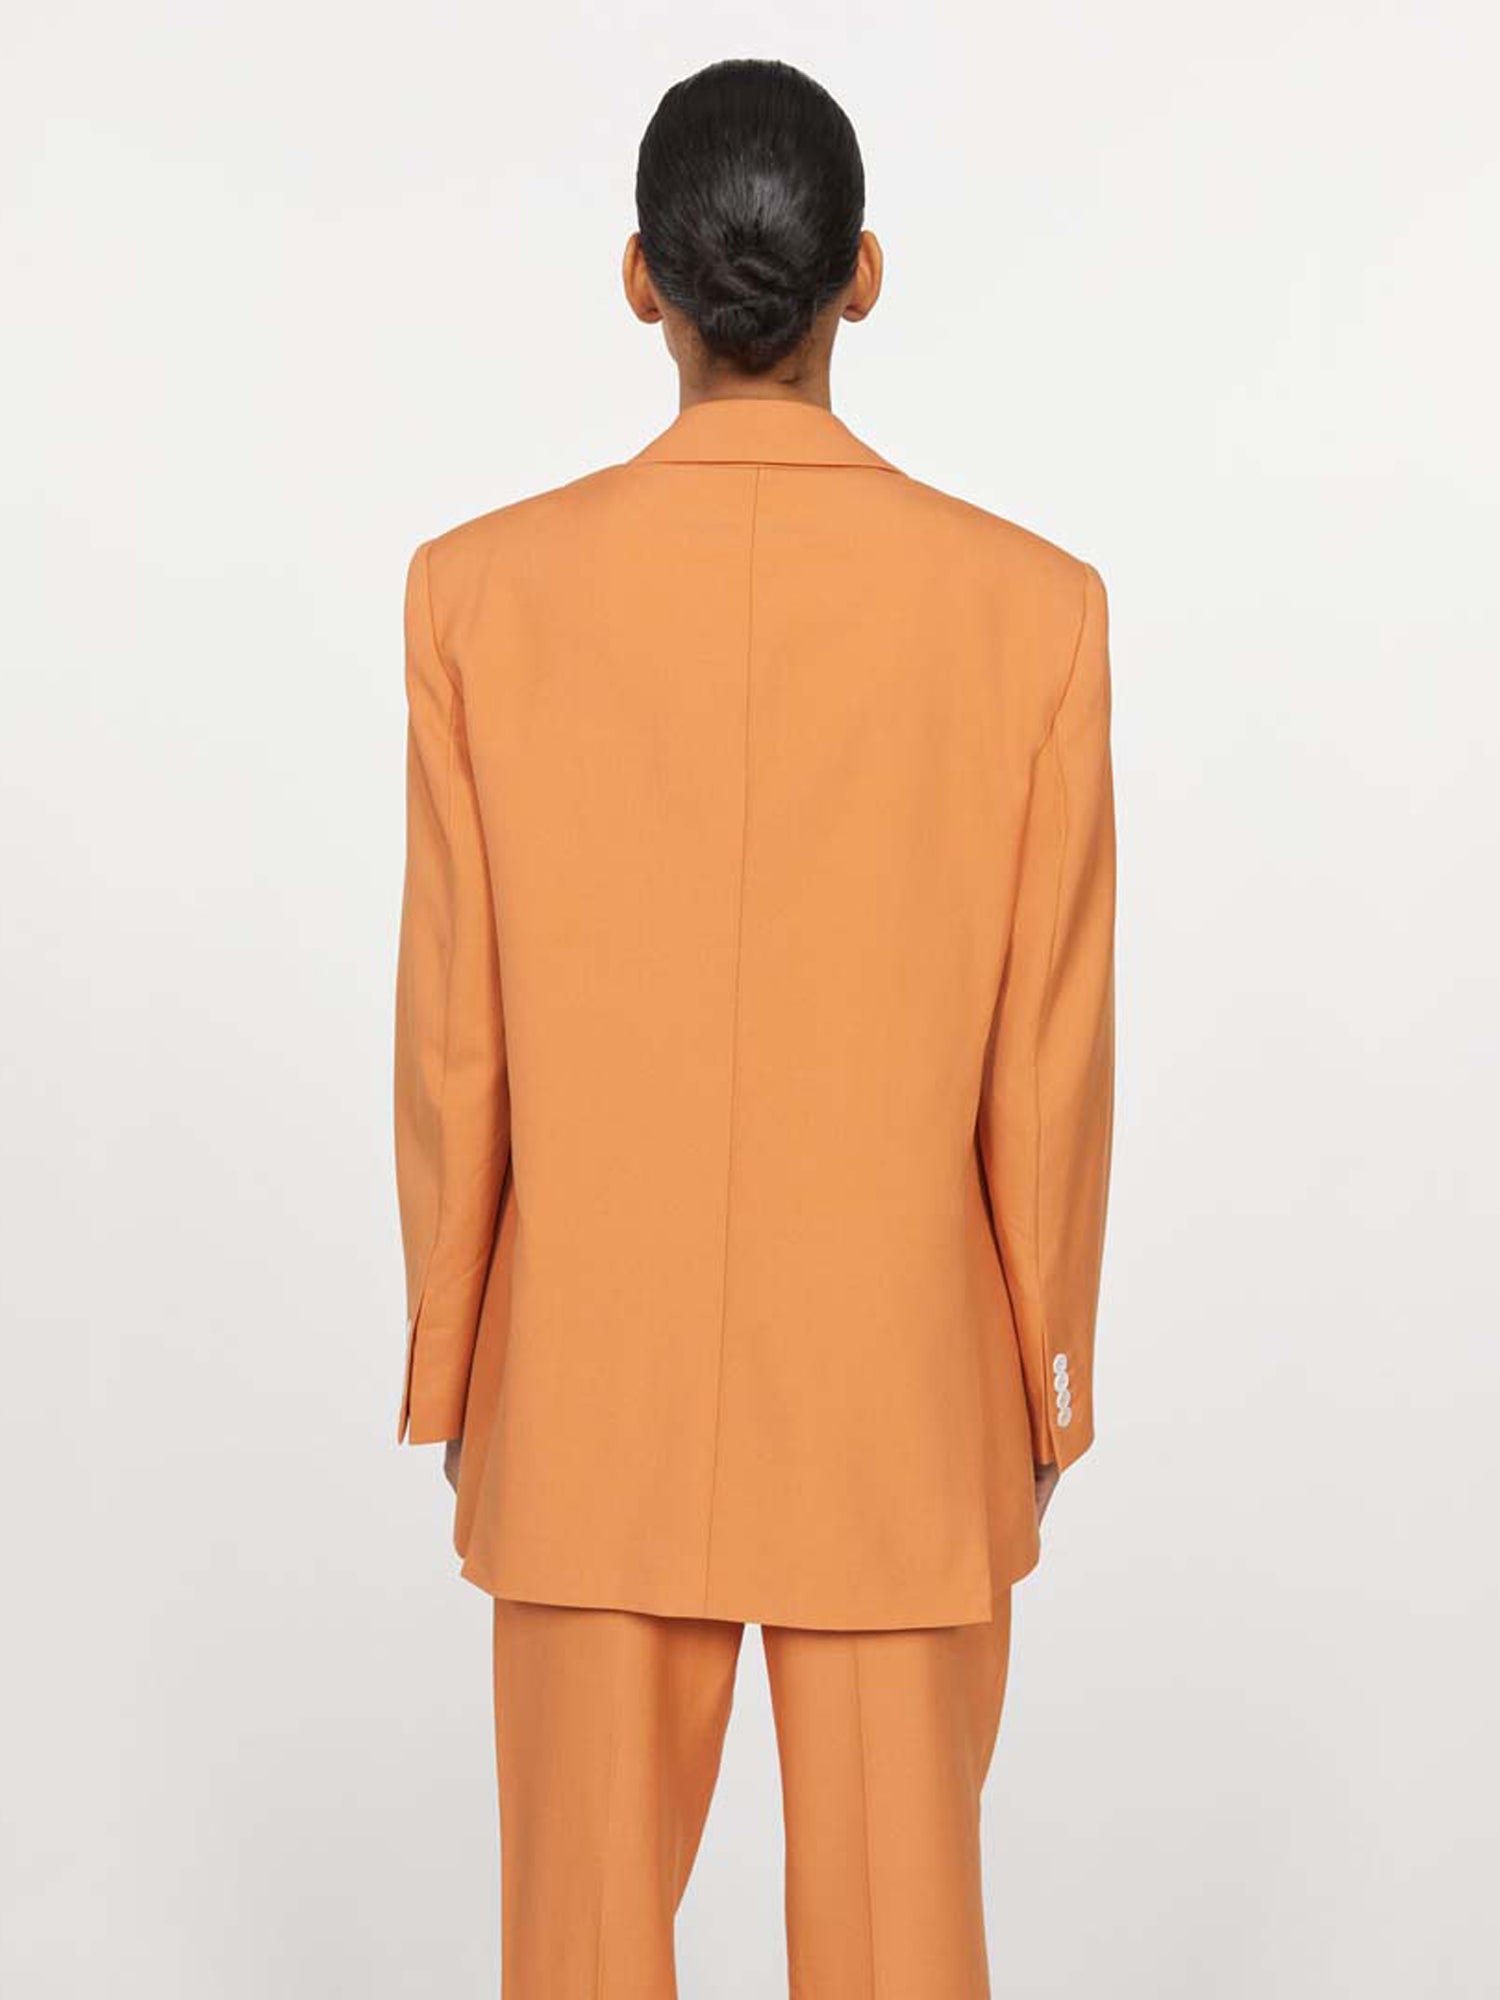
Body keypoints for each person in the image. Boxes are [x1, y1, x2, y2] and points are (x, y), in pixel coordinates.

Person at [393, 55, 1115, 1999]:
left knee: (576, 1959)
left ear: (641, 279)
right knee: (900, 1952)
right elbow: (1044, 1069)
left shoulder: (478, 598)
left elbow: (458, 1040)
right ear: (862, 275)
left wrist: (457, 1369)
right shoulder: (1032, 612)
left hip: (582, 1393)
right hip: (900, 1407)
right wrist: (1042, 1380)